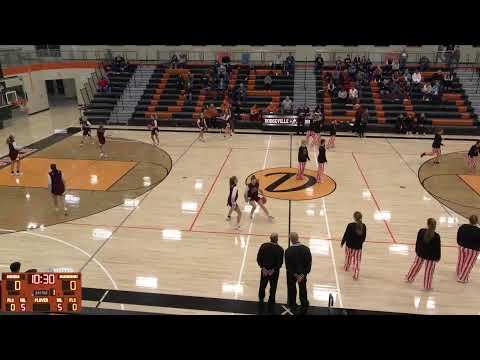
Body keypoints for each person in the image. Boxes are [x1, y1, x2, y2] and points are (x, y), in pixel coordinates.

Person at [405, 218, 441, 290]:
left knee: (416, 265)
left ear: (427, 224)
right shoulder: (436, 236)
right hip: (431, 257)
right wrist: (438, 257)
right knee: (429, 271)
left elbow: (417, 242)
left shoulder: (421, 231)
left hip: (420, 252)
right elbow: (437, 249)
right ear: (435, 226)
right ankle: (427, 286)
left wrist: (417, 250)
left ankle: (409, 277)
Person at [257, 233, 284, 314]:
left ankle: (261, 298)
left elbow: (258, 258)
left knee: (262, 284)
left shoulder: (263, 246)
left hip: (264, 271)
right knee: (273, 286)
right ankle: (271, 299)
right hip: (274, 273)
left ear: (270, 238)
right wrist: (273, 270)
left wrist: (263, 267)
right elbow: (280, 263)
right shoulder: (280, 249)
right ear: (277, 239)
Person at [284, 232, 312, 314]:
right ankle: (304, 302)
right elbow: (309, 263)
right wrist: (303, 274)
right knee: (303, 288)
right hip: (302, 275)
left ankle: (292, 303)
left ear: (291, 240)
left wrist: (295, 275)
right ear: (298, 238)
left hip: (292, 275)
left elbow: (288, 266)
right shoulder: (306, 249)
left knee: (292, 288)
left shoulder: (288, 251)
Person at [341, 211, 367, 280]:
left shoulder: (350, 225)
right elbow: (364, 238)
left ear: (354, 218)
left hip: (349, 246)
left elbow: (346, 235)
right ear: (361, 218)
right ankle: (356, 274)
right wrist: (360, 243)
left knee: (348, 257)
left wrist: (342, 242)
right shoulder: (363, 226)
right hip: (358, 248)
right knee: (357, 261)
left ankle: (346, 267)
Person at [456, 215, 480, 283]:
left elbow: (458, 236)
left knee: (461, 261)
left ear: (469, 220)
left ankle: (458, 274)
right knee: (468, 263)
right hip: (473, 250)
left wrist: (459, 243)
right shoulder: (478, 231)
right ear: (477, 221)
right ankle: (462, 278)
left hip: (462, 246)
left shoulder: (462, 226)